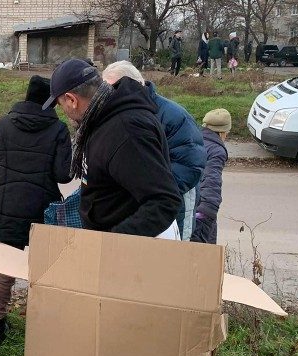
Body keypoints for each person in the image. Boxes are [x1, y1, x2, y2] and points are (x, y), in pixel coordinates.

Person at [42, 59, 181, 237]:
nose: (64, 112)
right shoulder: (99, 118)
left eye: (61, 105)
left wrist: (115, 242)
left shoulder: (127, 131)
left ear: (71, 100)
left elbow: (164, 201)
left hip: (127, 251)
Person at [0, 75, 72, 345]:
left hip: (5, 205)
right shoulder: (58, 130)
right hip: (42, 208)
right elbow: (64, 175)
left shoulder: (4, 123)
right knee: (42, 270)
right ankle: (42, 328)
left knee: (5, 270)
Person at [102, 61, 205, 241]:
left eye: (113, 90)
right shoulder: (118, 114)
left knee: (173, 259)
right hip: (138, 207)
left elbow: (190, 164)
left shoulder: (175, 116)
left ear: (134, 84)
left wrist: (151, 189)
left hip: (173, 207)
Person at [191, 109, 230, 244]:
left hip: (188, 204)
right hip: (202, 212)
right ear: (223, 133)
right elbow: (211, 180)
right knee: (202, 255)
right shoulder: (217, 151)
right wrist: (207, 211)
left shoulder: (193, 138)